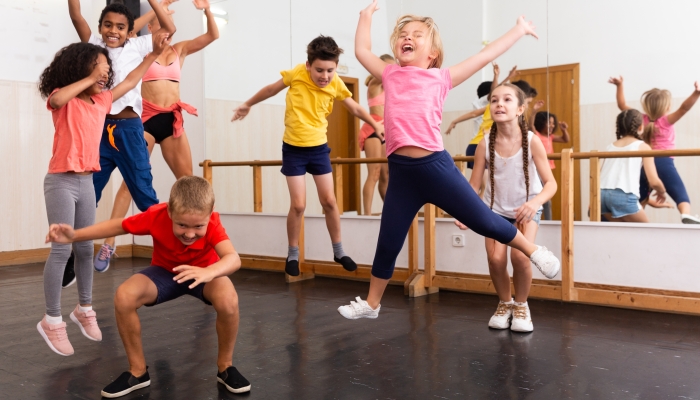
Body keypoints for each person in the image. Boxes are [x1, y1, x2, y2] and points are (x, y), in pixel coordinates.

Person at [337, 2, 560, 320]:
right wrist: (365, 17)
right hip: (401, 174)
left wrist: (518, 30)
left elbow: (484, 56)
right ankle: (372, 304)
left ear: (432, 54)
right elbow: (361, 50)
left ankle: (534, 250)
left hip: (435, 168)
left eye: (417, 34)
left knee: (484, 220)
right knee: (388, 240)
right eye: (402, 34)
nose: (407, 37)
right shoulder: (389, 73)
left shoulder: (441, 78)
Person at [46, 176, 251, 397]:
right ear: (170, 212)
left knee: (229, 298)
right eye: (182, 225)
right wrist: (75, 235)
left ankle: (226, 367)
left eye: (198, 227)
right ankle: (138, 372)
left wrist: (208, 272)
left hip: (204, 274)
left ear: (210, 214)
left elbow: (233, 258)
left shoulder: (212, 223)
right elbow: (120, 225)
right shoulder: (157, 215)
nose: (190, 234)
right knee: (124, 296)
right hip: (165, 273)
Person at [36, 34, 170, 357]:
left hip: (86, 181)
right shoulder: (64, 98)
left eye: (106, 72)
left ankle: (84, 308)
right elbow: (54, 101)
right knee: (61, 250)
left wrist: (152, 56)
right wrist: (89, 76)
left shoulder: (103, 102)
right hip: (61, 182)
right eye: (100, 70)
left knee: (84, 248)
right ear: (81, 69)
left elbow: (132, 80)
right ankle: (51, 318)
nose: (105, 76)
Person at [231, 35, 384, 276]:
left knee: (330, 201)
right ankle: (293, 253)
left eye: (330, 71)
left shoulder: (335, 84)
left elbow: (353, 107)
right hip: (293, 149)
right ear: (308, 65)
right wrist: (247, 104)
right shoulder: (296, 75)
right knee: (299, 205)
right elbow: (271, 89)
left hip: (319, 149)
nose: (325, 76)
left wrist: (374, 125)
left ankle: (339, 250)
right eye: (319, 70)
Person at [95, 0, 220, 272]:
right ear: (148, 30)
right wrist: (155, 8)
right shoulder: (138, 50)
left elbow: (212, 36)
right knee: (130, 183)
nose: (165, 32)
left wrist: (207, 10)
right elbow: (132, 30)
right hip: (145, 120)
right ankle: (109, 242)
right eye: (158, 26)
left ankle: (204, 244)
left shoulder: (180, 50)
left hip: (172, 119)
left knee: (190, 185)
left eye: (167, 27)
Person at [456, 83, 557, 332]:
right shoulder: (484, 145)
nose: (499, 104)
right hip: (494, 210)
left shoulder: (533, 142)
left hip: (526, 209)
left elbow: (551, 184)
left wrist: (534, 203)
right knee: (496, 259)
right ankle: (505, 303)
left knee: (520, 256)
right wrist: (465, 212)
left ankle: (521, 306)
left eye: (507, 100)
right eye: (494, 100)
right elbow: (474, 185)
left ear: (520, 108)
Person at [609, 76, 700, 223]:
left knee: (641, 194)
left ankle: (633, 218)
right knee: (679, 191)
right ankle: (685, 214)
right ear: (667, 107)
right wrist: (696, 93)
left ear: (646, 106)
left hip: (645, 163)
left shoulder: (640, 120)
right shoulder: (667, 120)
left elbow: (622, 105)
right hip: (664, 162)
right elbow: (684, 108)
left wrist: (619, 85)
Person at [445, 62, 518, 169]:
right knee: (484, 183)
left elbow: (473, 112)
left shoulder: (488, 106)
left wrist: (454, 121)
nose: (499, 103)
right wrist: (498, 76)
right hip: (480, 144)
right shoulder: (486, 104)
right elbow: (495, 91)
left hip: (478, 143)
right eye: (494, 99)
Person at [600, 109, 667, 222]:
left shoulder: (609, 147)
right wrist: (662, 192)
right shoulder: (642, 146)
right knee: (647, 233)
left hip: (601, 196)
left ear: (619, 128)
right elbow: (654, 181)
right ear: (641, 127)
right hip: (623, 196)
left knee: (623, 234)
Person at [360, 54, 393, 215]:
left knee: (385, 175)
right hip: (372, 128)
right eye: (389, 66)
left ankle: (388, 212)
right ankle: (366, 213)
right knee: (373, 173)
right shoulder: (375, 82)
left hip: (385, 130)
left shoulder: (389, 86)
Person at [533, 111, 571, 219]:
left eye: (553, 123)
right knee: (542, 196)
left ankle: (548, 220)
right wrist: (534, 111)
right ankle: (539, 218)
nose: (552, 125)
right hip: (538, 170)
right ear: (541, 123)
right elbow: (531, 125)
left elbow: (565, 139)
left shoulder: (551, 137)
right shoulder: (537, 135)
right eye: (549, 123)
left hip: (547, 170)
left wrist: (564, 130)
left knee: (547, 198)